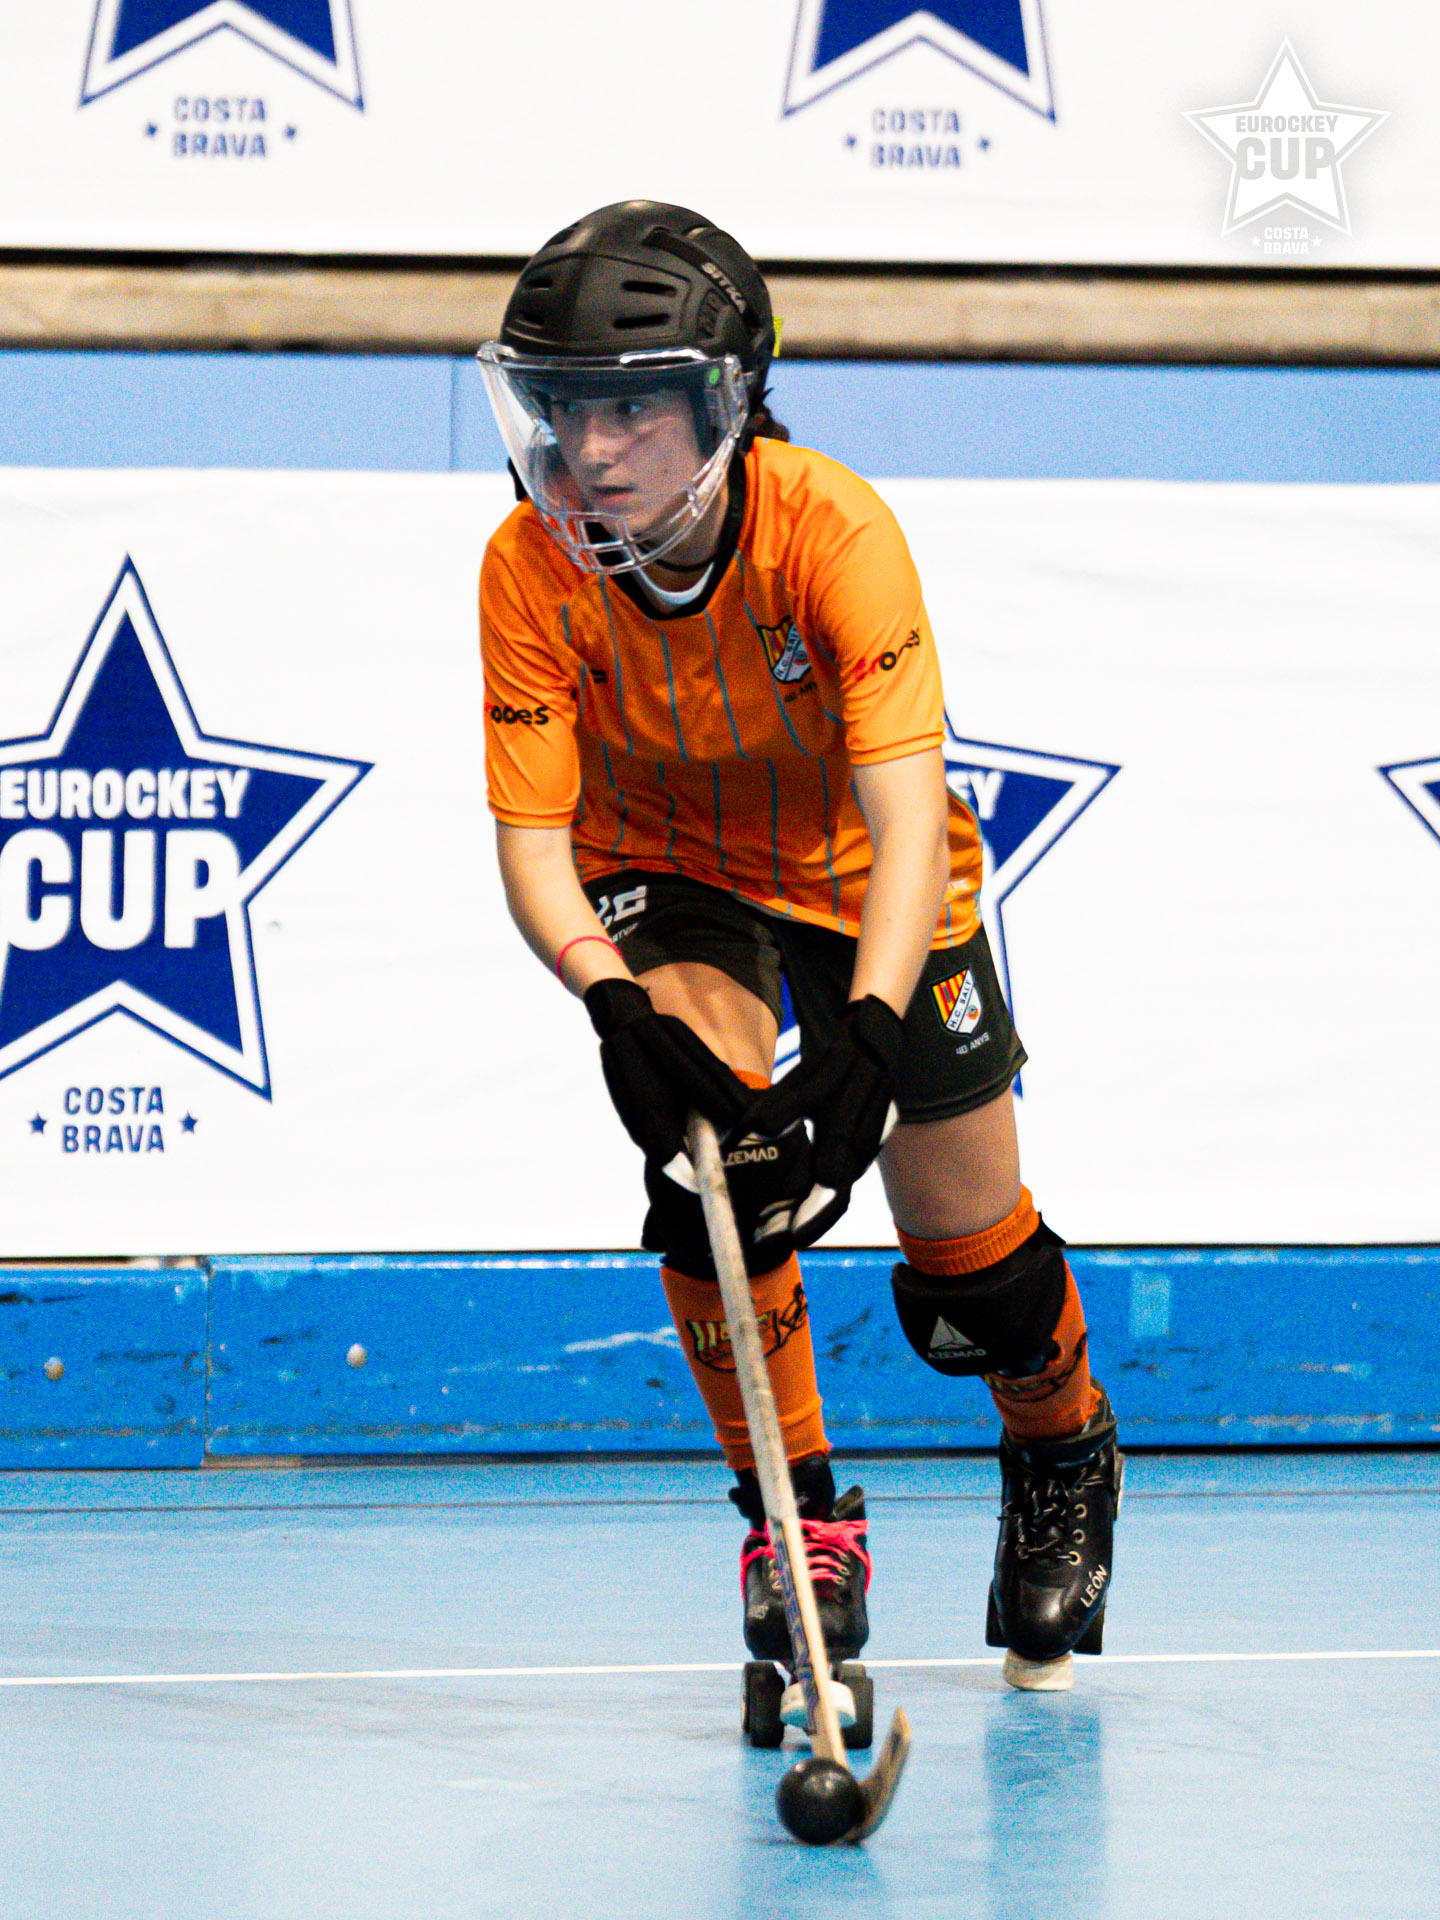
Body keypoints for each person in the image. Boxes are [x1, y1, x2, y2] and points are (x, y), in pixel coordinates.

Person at [476, 200, 1122, 1700]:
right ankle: (800, 1520)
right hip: (665, 868)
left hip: (860, 873)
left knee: (972, 1270)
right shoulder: (528, 564)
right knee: (714, 1166)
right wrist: (615, 1005)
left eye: (632, 409)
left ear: (725, 404)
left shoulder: (836, 530)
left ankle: (1062, 1445)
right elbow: (532, 844)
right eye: (565, 407)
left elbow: (906, 824)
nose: (591, 450)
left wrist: (870, 1042)